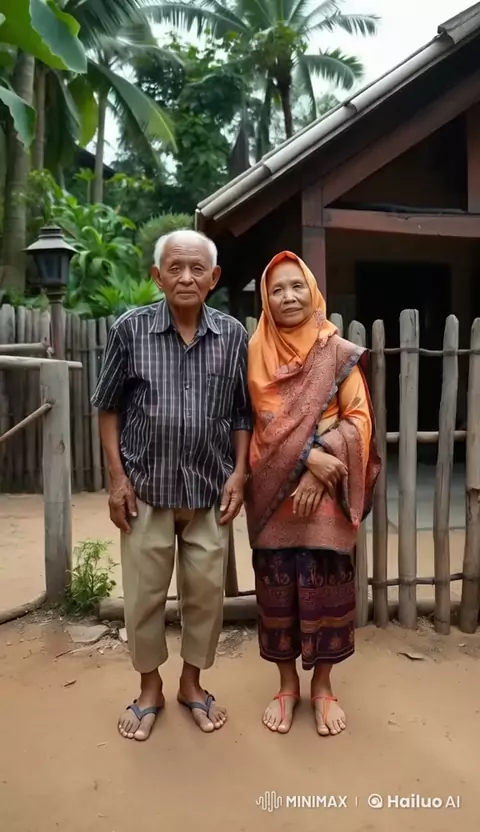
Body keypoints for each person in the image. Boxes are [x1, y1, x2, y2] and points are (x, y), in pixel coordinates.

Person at [91, 229, 252, 741]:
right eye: (175, 268)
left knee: (206, 597)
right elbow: (108, 406)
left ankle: (191, 683)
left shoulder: (232, 335)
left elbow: (241, 413)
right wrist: (117, 479)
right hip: (146, 490)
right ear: (157, 277)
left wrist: (239, 472)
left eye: (197, 268)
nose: (186, 277)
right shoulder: (130, 329)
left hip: (209, 490)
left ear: (214, 277)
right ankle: (149, 688)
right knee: (143, 597)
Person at [245, 251, 380, 737]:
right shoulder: (255, 353)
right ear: (266, 299)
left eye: (296, 286)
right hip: (272, 496)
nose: (288, 297)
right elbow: (256, 427)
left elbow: (359, 421)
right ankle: (287, 687)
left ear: (313, 290)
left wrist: (318, 466)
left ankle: (323, 687)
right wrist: (305, 459)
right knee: (277, 593)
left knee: (327, 591)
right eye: (277, 289)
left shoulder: (336, 352)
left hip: (327, 495)